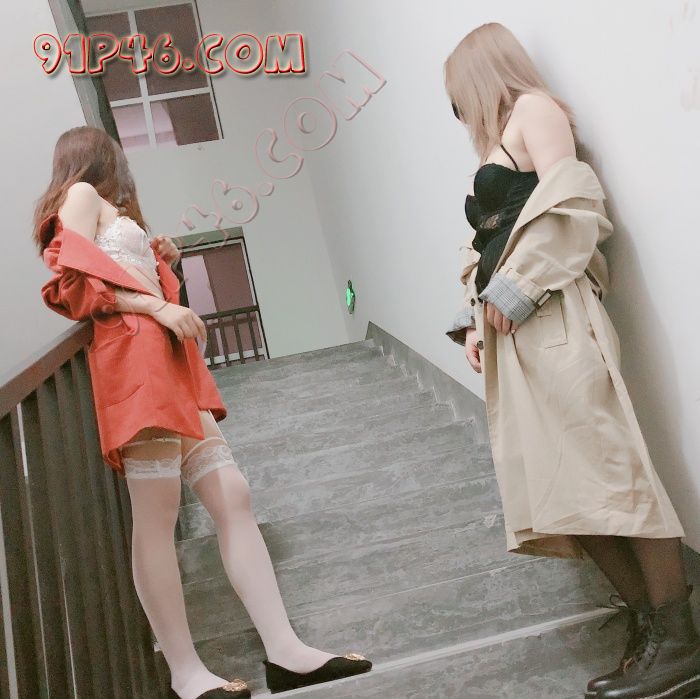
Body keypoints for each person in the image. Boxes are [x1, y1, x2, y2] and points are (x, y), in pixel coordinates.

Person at [34, 126, 372, 699]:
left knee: (231, 494)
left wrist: (160, 261)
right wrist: (156, 306)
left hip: (164, 360)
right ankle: (185, 672)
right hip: (137, 363)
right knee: (158, 512)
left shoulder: (107, 207)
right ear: (97, 157)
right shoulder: (82, 194)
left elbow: (112, 271)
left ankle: (284, 650)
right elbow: (70, 283)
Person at [444, 23, 699, 699]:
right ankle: (649, 628)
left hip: (556, 315)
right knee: (565, 492)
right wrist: (475, 319)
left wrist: (517, 288)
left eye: (456, 95)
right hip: (518, 333)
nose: (458, 111)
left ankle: (677, 639)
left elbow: (576, 204)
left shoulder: (535, 110)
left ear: (478, 76)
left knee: (612, 473)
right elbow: (490, 242)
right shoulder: (503, 135)